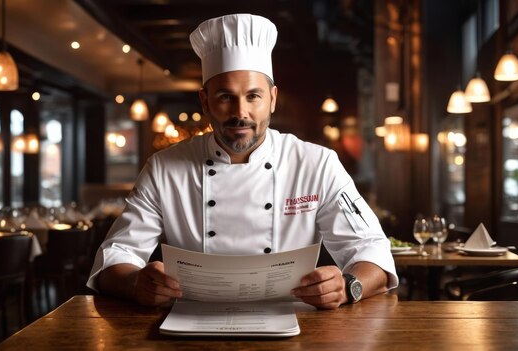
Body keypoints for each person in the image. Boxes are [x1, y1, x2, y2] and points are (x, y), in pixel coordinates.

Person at [87, 13, 398, 309]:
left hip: (293, 320)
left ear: (272, 99)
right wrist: (135, 283)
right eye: (225, 96)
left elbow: (372, 249)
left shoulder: (316, 164)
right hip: (190, 321)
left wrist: (348, 286)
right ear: (205, 100)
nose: (240, 112)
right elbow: (117, 254)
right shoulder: (164, 169)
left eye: (253, 96)